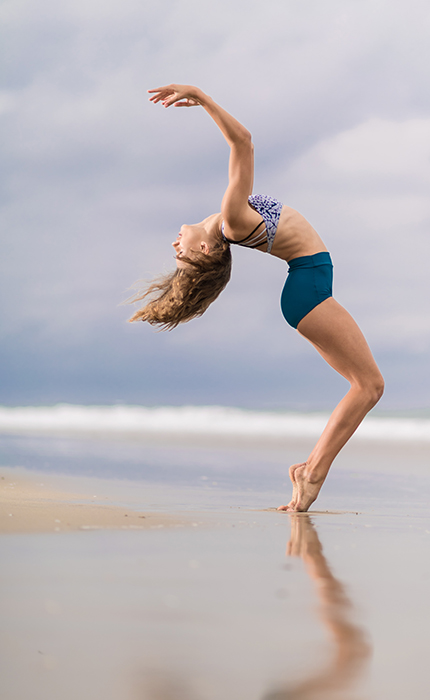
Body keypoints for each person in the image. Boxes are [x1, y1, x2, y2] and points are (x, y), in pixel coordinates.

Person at [130, 84, 384, 512]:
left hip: (307, 289)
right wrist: (201, 97)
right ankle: (313, 472)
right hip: (307, 287)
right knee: (369, 385)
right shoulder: (230, 218)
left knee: (364, 386)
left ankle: (309, 472)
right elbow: (243, 141)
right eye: (184, 258)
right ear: (207, 250)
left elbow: (243, 145)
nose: (176, 249)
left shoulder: (228, 220)